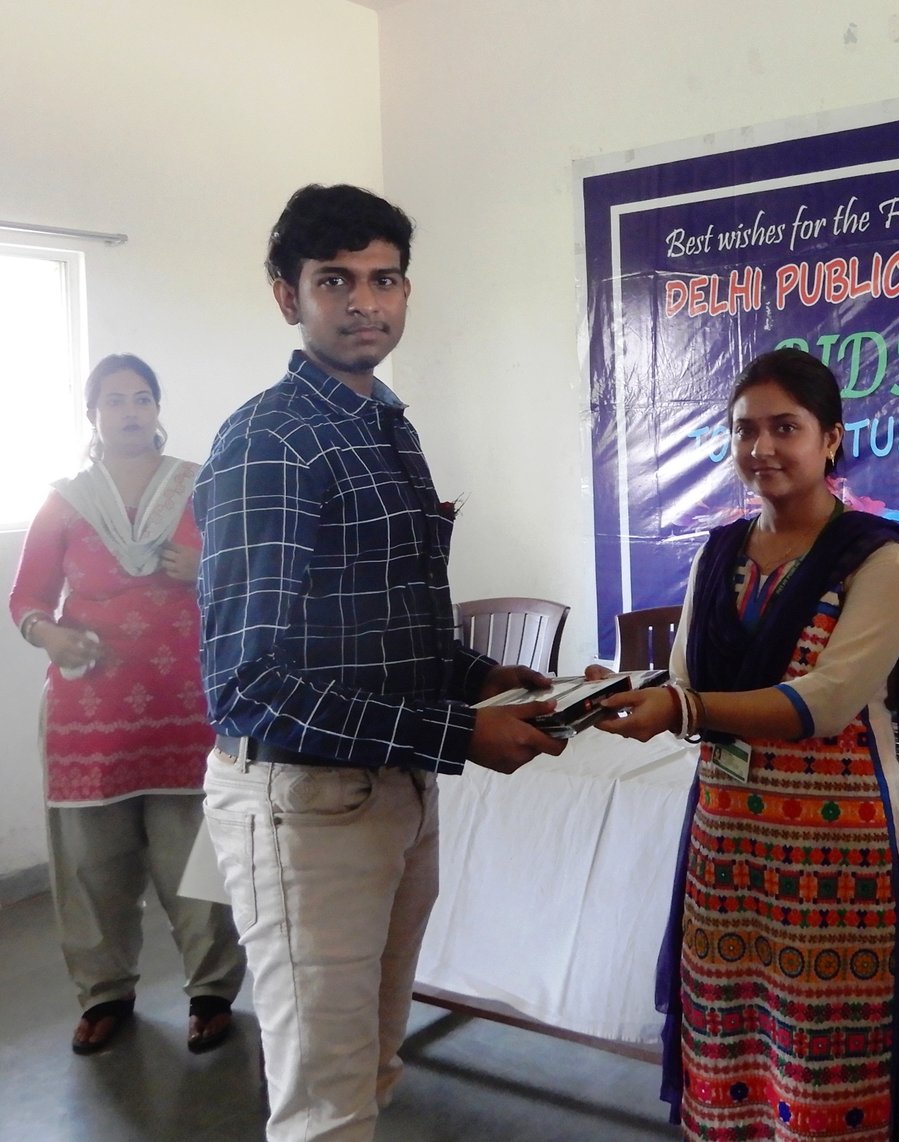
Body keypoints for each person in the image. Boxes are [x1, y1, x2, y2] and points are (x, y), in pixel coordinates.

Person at [194, 184, 566, 1141]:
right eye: (336, 281)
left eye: (385, 278)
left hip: (393, 789)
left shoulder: (384, 423)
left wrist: (475, 677)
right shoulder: (271, 442)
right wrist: (458, 732)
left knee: (371, 1068)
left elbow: (379, 617)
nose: (366, 302)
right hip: (307, 809)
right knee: (326, 1104)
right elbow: (248, 685)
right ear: (288, 296)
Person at [595, 347, 899, 1141]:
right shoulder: (718, 553)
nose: (761, 447)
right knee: (730, 1033)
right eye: (745, 430)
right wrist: (635, 693)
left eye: (785, 427)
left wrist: (682, 707)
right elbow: (684, 674)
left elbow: (829, 701)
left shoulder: (877, 556)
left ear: (830, 439)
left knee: (821, 1051)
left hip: (836, 854)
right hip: (728, 842)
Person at [9, 353, 246, 1056]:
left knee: (199, 855)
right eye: (114, 400)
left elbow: (253, 573)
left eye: (142, 398)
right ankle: (104, 993)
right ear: (92, 414)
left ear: (157, 409)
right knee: (90, 863)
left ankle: (211, 991)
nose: (130, 411)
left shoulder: (203, 486)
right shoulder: (66, 501)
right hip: (90, 713)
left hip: (188, 706)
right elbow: (26, 598)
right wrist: (49, 633)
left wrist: (208, 568)